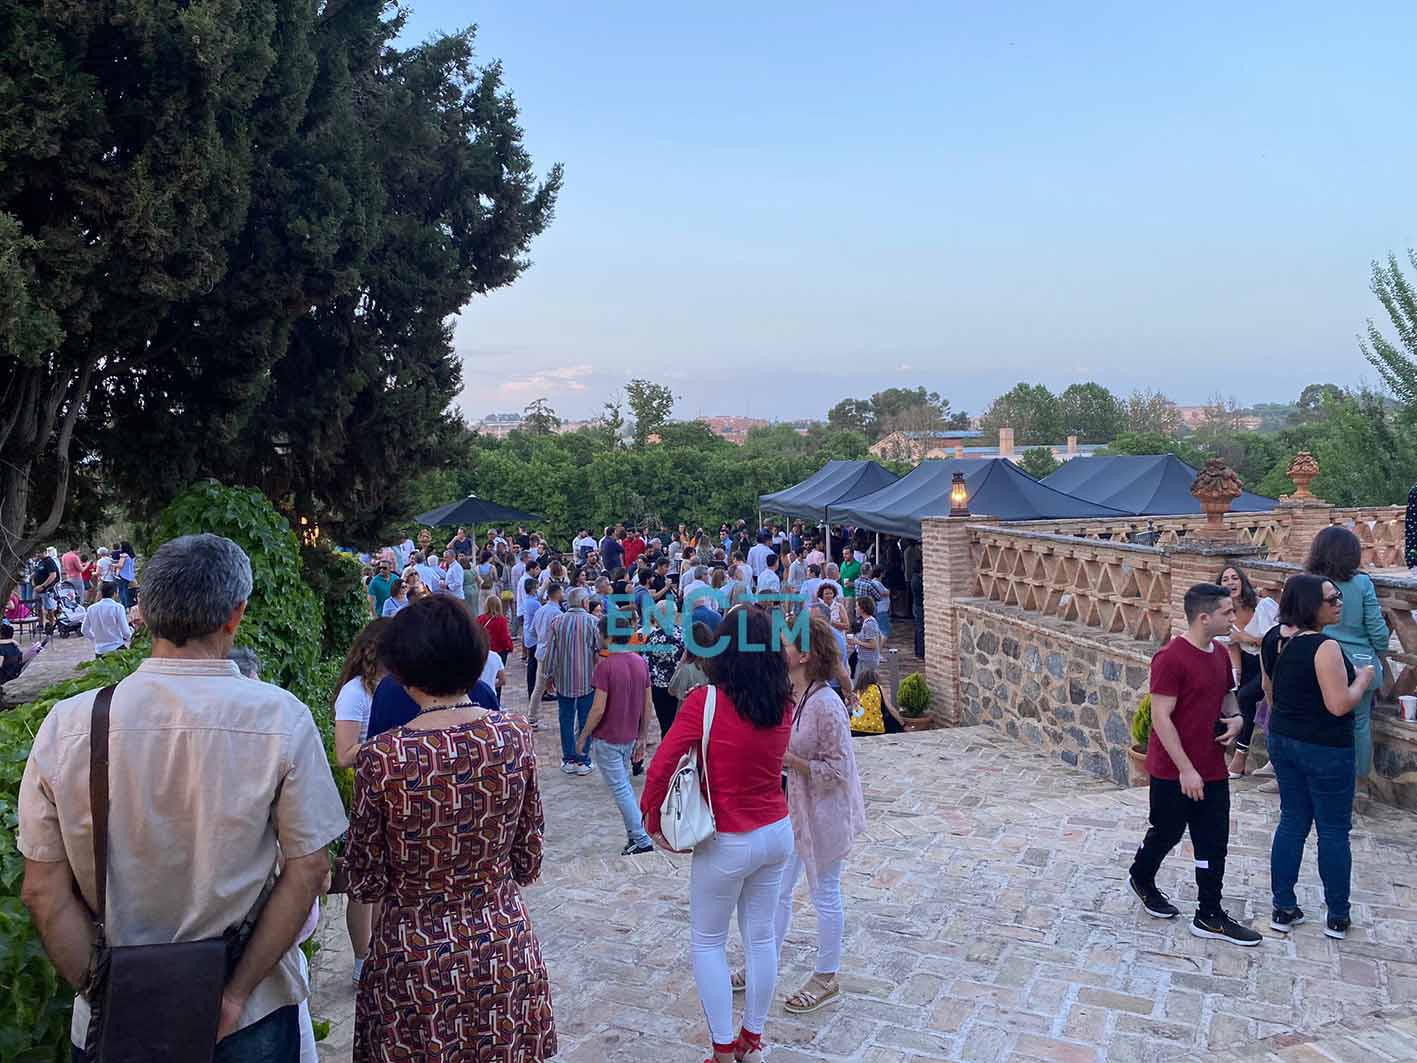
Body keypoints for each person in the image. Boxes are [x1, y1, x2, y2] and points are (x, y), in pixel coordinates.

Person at [18, 533, 347, 1060]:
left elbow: (42, 892)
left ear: (144, 612)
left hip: (114, 1013)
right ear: (236, 615)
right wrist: (234, 995)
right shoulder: (280, 718)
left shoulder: (69, 724)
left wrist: (110, 993)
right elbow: (309, 870)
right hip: (249, 1015)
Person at [344, 594, 556, 1062]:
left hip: (415, 957)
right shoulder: (513, 736)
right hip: (501, 943)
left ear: (402, 670)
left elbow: (365, 877)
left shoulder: (384, 757)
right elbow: (527, 859)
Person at [640, 607, 794, 1063]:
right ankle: (752, 1038)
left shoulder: (705, 702)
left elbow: (662, 765)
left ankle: (723, 1049)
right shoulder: (783, 704)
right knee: (761, 939)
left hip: (727, 836)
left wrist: (652, 819)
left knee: (708, 942)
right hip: (775, 831)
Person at [1126, 583, 1260, 946]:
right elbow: (1161, 717)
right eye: (1227, 612)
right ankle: (1141, 876)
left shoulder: (1220, 654)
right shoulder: (1170, 658)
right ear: (1204, 617)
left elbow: (1227, 695)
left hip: (1212, 766)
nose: (1234, 618)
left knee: (1213, 840)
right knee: (1167, 832)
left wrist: (1236, 719)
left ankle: (1209, 914)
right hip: (1173, 770)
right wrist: (1185, 769)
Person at [1261, 574, 1374, 940]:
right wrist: (1363, 679)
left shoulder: (1272, 640)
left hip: (1284, 739)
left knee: (1292, 820)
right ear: (1310, 605)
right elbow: (1339, 704)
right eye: (1331, 599)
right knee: (1333, 830)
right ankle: (1338, 915)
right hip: (1326, 748)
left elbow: (1269, 691)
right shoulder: (1324, 647)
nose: (1339, 603)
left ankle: (1283, 907)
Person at [773, 612, 866, 1014]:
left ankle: (827, 975)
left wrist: (792, 761)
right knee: (778, 890)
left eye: (786, 644)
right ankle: (764, 961)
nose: (780, 650)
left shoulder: (826, 705)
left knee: (824, 892)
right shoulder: (796, 694)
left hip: (825, 813)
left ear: (805, 654)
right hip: (795, 809)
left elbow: (839, 769)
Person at [1305, 526, 1389, 800]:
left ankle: (1321, 780)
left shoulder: (1310, 582)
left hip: (1317, 657)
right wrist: (1380, 653)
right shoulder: (1362, 583)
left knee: (1318, 720)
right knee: (1360, 723)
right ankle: (1360, 784)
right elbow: (1378, 630)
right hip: (1359, 662)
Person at [332, 621, 388, 987]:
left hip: (390, 792)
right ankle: (361, 959)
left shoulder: (395, 687)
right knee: (364, 882)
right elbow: (344, 753)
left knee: (385, 881)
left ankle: (379, 952)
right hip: (365, 793)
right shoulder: (355, 692)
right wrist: (389, 745)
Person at [577, 613, 655, 854]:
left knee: (621, 789)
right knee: (624, 786)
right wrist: (643, 735)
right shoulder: (640, 662)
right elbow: (647, 704)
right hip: (629, 735)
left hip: (608, 737)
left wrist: (583, 736)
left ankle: (641, 838)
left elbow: (598, 708)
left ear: (608, 637)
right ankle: (635, 835)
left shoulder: (606, 667)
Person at [1216, 565, 1279, 777]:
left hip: (1270, 662)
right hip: (1248, 662)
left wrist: (1244, 637)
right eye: (1225, 579)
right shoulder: (1226, 614)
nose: (1230, 582)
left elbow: (1273, 641)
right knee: (1234, 695)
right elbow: (1233, 647)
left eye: (1234, 578)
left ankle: (1240, 757)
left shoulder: (1264, 606)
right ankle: (1227, 755)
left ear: (1242, 582)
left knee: (1245, 696)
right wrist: (1237, 677)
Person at [542, 586, 600, 775]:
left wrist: (547, 676)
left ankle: (569, 759)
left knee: (565, 719)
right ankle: (582, 759)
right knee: (585, 719)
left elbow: (550, 652)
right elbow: (599, 650)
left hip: (563, 679)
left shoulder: (557, 622)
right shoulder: (593, 622)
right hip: (587, 679)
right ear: (584, 602)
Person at [81, 581, 133, 656]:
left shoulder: (91, 608)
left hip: (99, 651)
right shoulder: (118, 607)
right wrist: (131, 634)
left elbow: (84, 630)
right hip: (116, 648)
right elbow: (126, 633)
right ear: (115, 593)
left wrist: (95, 639)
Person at [849, 668, 906, 736]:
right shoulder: (878, 688)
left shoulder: (856, 691)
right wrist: (903, 724)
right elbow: (890, 708)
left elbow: (851, 707)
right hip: (875, 728)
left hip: (855, 728)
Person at [846, 595, 883, 678]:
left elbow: (873, 645)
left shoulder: (869, 624)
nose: (855, 609)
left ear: (862, 609)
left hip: (868, 660)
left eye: (857, 606)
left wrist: (856, 641)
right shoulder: (869, 621)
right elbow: (880, 637)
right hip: (866, 658)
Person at [477, 594, 515, 661]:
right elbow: (504, 638)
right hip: (498, 651)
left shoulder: (480, 618)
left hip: (484, 650)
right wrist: (510, 647)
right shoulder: (502, 620)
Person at [114, 541, 136, 608]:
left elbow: (120, 565)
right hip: (130, 575)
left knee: (122, 591)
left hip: (122, 575)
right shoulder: (132, 556)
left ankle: (123, 606)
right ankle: (128, 605)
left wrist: (111, 564)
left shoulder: (124, 555)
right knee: (127, 591)